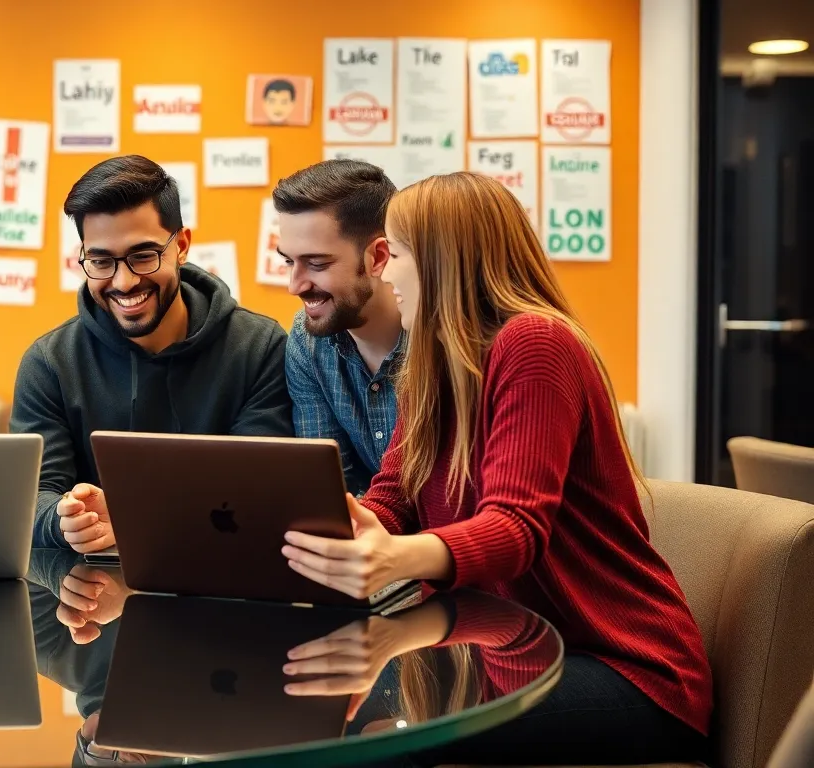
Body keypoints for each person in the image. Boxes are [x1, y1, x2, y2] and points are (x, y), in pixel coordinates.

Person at [281, 172, 713, 764]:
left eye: (397, 254)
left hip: (626, 670)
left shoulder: (536, 344)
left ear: (443, 262)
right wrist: (349, 526)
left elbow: (515, 530)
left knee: (392, 748)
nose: (384, 273)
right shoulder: (434, 365)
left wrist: (392, 557)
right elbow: (393, 498)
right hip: (510, 652)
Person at [11, 155, 294, 553]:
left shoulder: (259, 347)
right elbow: (35, 496)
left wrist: (134, 516)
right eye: (101, 261)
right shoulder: (49, 363)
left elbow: (262, 490)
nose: (124, 282)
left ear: (181, 245)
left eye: (143, 256)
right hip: (95, 591)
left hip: (224, 583)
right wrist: (67, 520)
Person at [276, 159, 403, 495]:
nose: (294, 285)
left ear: (378, 257)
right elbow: (329, 492)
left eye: (316, 264)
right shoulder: (307, 340)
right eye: (289, 261)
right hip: (368, 536)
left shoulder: (446, 338)